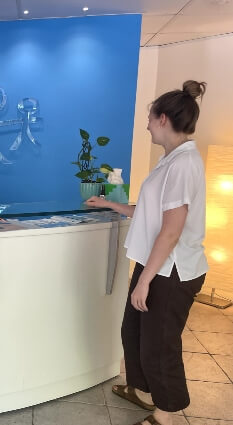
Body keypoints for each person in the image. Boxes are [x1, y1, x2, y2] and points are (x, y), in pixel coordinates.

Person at [85, 80, 208, 425]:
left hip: (173, 271)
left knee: (159, 343)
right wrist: (109, 203)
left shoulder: (183, 164)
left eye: (150, 118)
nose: (147, 125)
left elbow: (171, 229)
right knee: (133, 331)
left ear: (164, 118)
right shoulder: (171, 159)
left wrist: (145, 282)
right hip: (156, 264)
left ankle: (165, 413)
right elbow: (153, 213)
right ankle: (140, 389)